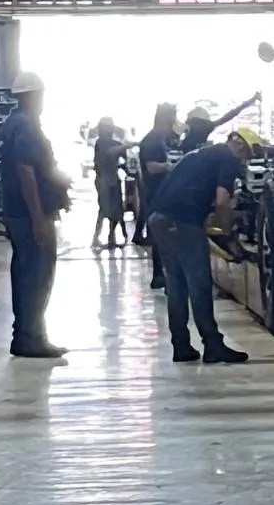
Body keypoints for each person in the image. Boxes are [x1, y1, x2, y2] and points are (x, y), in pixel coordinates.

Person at [146, 131, 254, 364]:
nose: (244, 161)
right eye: (246, 154)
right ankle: (213, 345)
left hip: (159, 218)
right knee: (199, 283)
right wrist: (227, 228)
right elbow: (222, 200)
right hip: (183, 220)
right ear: (239, 146)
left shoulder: (200, 154)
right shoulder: (228, 158)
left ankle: (181, 345)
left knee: (176, 284)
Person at [0, 71, 71, 358]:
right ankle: (30, 338)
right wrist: (38, 217)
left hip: (20, 212)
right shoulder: (26, 126)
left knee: (27, 271)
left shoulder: (15, 124)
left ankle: (29, 335)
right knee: (37, 274)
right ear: (32, 96)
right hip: (29, 214)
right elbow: (26, 171)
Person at [138, 103, 179, 288]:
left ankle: (162, 275)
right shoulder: (152, 140)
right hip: (156, 194)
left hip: (161, 194)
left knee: (162, 236)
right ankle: (160, 275)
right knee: (161, 236)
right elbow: (151, 167)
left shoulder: (160, 138)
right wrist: (172, 166)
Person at [91, 117, 133, 250]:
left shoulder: (114, 143)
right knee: (104, 210)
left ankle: (111, 236)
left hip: (112, 180)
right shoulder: (101, 143)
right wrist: (128, 145)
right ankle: (97, 238)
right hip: (103, 181)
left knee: (115, 209)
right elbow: (110, 153)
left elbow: (123, 160)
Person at [181, 93, 261, 154]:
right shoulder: (208, 126)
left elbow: (229, 115)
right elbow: (230, 115)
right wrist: (251, 100)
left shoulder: (188, 128)